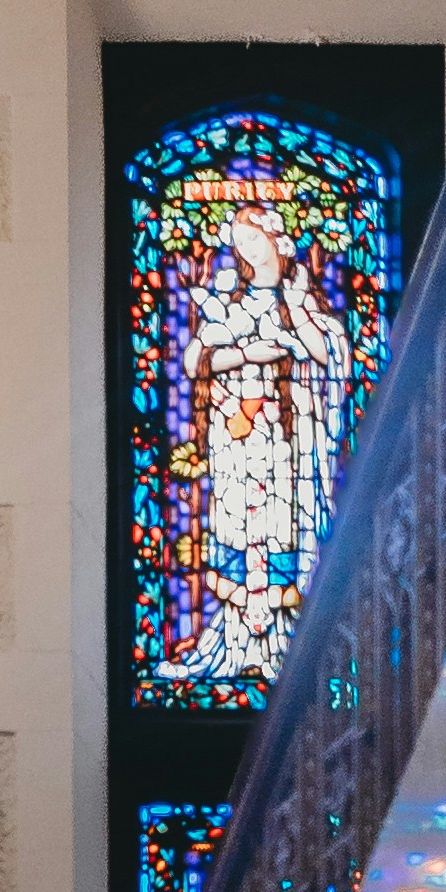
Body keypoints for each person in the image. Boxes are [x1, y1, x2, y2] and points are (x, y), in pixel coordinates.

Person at [170, 197, 355, 693]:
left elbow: (333, 356)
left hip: (289, 444)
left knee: (281, 530)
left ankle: (290, 650)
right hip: (235, 439)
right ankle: (233, 644)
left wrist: (296, 319)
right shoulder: (231, 302)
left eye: (253, 237)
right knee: (235, 525)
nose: (246, 248)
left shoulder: (302, 299)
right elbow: (195, 360)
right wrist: (250, 352)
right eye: (239, 242)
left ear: (278, 239)